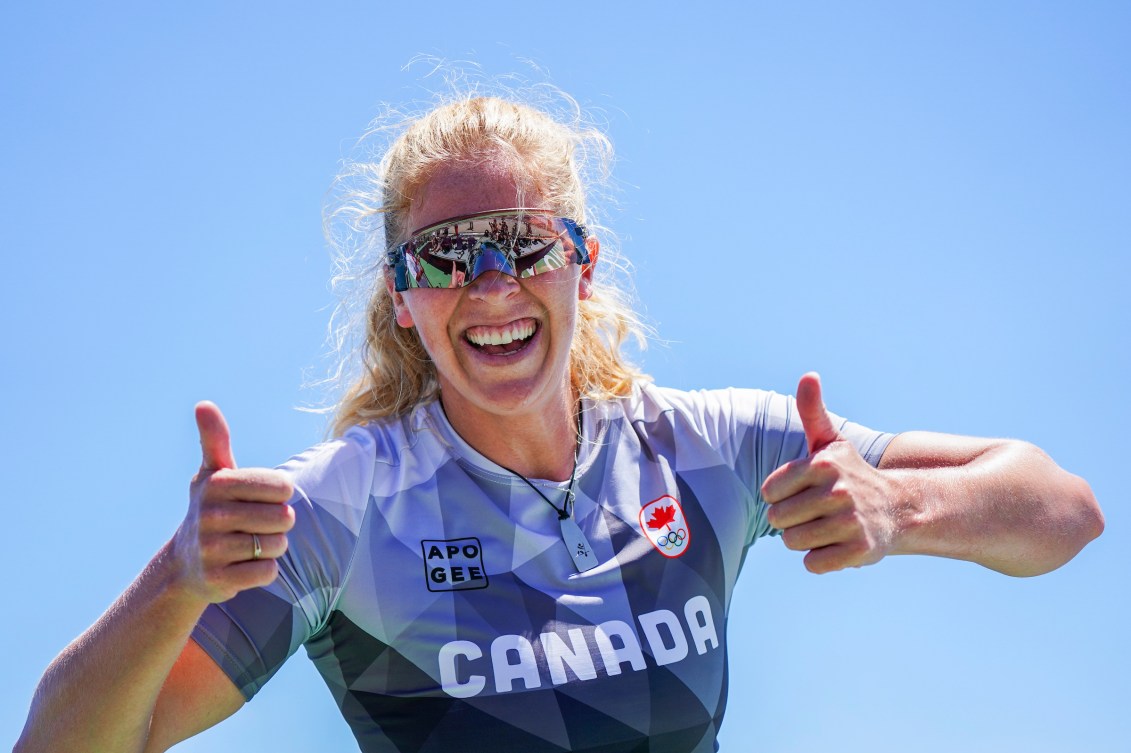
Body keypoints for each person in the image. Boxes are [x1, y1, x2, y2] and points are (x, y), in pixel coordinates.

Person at [16, 93, 1104, 753]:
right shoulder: (337, 511)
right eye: (445, 257)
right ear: (402, 296)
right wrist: (179, 579)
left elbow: (1064, 514)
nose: (489, 287)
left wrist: (899, 504)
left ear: (581, 261)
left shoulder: (716, 446)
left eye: (523, 245)